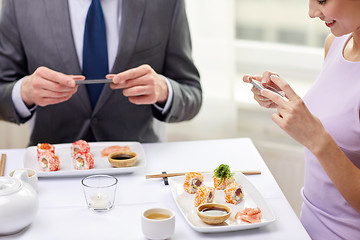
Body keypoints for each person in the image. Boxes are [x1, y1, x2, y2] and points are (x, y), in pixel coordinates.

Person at [0, 0, 202, 146]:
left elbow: (192, 93)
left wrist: (164, 90)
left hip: (139, 167)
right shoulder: (18, 4)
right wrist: (23, 92)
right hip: (50, 168)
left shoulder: (167, 4)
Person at [243, 0, 360, 238]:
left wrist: (318, 139)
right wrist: (288, 103)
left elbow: (324, 138)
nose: (311, 12)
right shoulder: (336, 43)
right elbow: (341, 117)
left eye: (322, 0)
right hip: (307, 225)